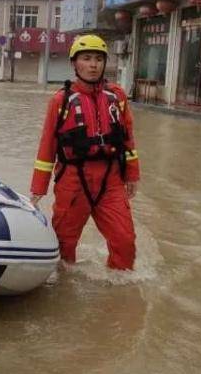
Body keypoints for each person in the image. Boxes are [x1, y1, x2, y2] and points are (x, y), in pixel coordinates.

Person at [29, 34, 140, 271]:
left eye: (98, 59)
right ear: (74, 63)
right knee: (64, 245)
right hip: (73, 180)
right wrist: (39, 188)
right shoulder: (61, 101)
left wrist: (132, 175)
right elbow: (47, 146)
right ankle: (65, 286)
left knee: (125, 242)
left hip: (110, 180)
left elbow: (127, 139)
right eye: (87, 58)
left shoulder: (117, 97)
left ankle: (119, 288)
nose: (93, 65)